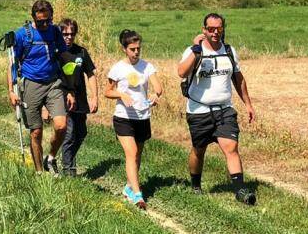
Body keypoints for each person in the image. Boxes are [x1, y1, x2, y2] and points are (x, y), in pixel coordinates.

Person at [177, 13, 257, 205]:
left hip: (224, 109)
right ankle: (196, 185)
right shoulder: (193, 51)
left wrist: (248, 103)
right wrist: (197, 50)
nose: (215, 32)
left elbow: (238, 79)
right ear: (204, 30)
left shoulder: (229, 51)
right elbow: (181, 72)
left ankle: (240, 191)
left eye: (219, 28)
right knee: (199, 150)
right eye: (211, 29)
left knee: (231, 147)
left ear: (223, 29)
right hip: (199, 111)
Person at [5, 0, 73, 174]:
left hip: (53, 83)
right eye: (40, 21)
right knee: (36, 132)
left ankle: (50, 157)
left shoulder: (55, 32)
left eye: (48, 21)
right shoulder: (23, 35)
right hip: (31, 84)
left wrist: (71, 85)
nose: (44, 24)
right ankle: (39, 172)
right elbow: (12, 64)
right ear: (33, 18)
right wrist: (11, 91)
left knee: (61, 125)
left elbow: (63, 54)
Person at [105, 29, 162, 210]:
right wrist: (121, 95)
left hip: (142, 116)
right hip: (123, 117)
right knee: (131, 152)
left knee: (137, 154)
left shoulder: (147, 66)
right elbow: (108, 91)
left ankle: (129, 187)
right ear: (124, 49)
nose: (136, 52)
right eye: (132, 49)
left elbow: (158, 87)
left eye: (138, 48)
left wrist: (154, 95)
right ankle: (138, 196)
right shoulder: (118, 68)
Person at [57, 18, 98, 176]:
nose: (68, 37)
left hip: (80, 99)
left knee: (81, 133)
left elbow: (91, 74)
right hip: (62, 98)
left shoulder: (81, 52)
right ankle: (69, 170)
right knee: (70, 132)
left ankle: (63, 159)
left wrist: (94, 97)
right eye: (65, 34)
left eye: (72, 34)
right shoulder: (56, 53)